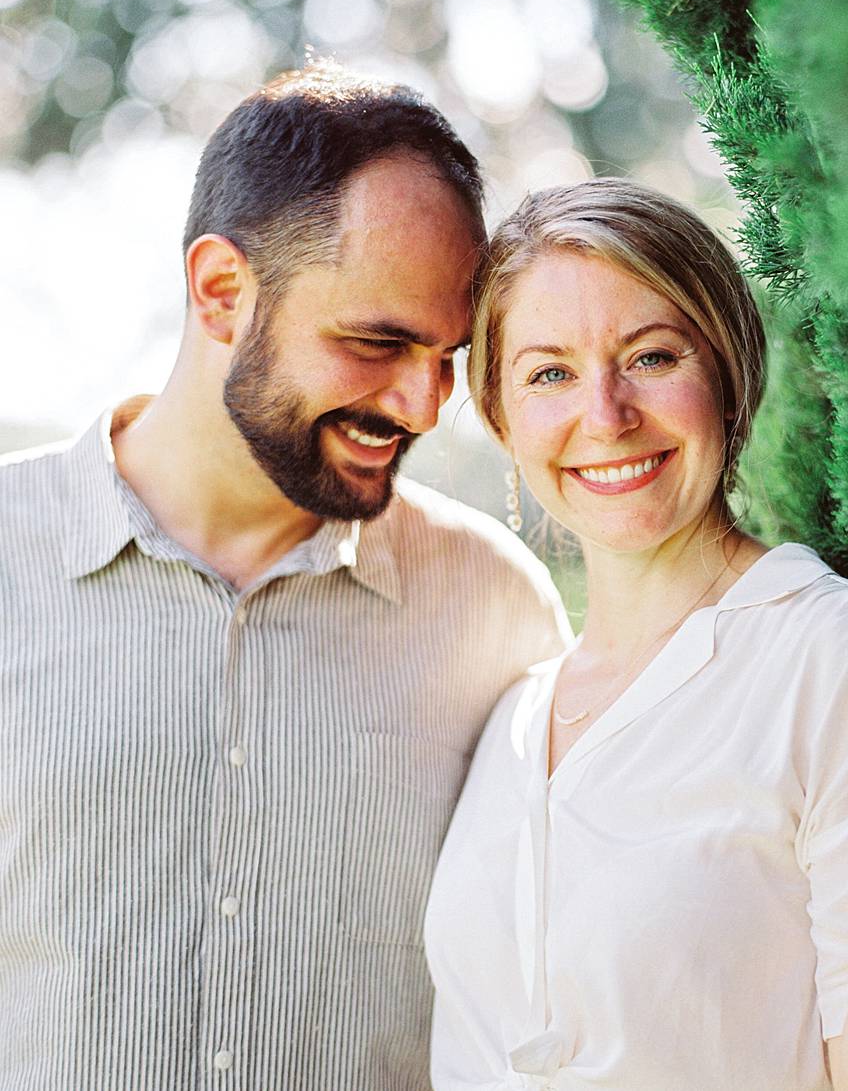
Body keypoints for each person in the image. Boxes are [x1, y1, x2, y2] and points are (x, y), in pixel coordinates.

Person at [423, 178, 848, 1091]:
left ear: (727, 377)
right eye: (550, 373)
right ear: (500, 415)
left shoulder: (844, 659)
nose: (605, 415)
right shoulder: (512, 712)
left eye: (651, 357)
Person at [0, 63, 569, 1090]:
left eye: (445, 356)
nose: (421, 403)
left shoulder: (498, 610)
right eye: (376, 342)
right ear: (222, 290)